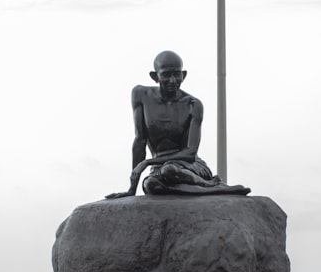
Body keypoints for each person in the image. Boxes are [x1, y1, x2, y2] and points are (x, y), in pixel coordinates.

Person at [106, 51, 250, 198]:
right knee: (150, 185)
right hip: (159, 168)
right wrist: (132, 190)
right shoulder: (141, 95)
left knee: (169, 169)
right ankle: (214, 188)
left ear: (184, 75)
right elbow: (140, 140)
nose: (173, 80)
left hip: (190, 166)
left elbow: (190, 153)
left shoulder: (193, 104)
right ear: (155, 76)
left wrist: (148, 162)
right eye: (166, 75)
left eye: (177, 74)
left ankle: (209, 184)